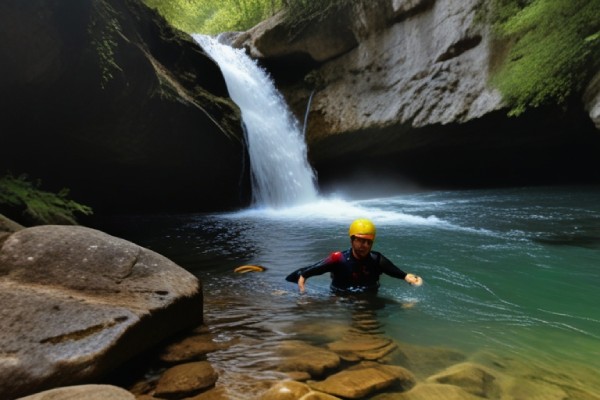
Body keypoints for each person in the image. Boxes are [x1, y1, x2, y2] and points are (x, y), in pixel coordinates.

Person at [286, 218, 423, 294]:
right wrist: (302, 293)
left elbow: (400, 274)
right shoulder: (338, 259)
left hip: (368, 296)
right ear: (351, 240)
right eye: (360, 240)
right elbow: (306, 272)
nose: (364, 245)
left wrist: (410, 278)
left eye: (368, 242)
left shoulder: (377, 260)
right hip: (340, 297)